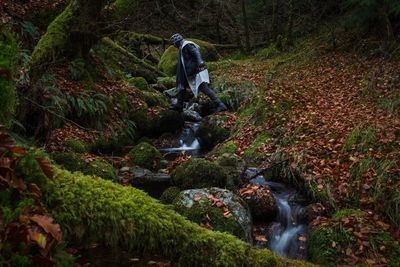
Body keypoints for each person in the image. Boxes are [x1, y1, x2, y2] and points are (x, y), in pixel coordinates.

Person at [169, 33, 227, 113]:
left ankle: (220, 104)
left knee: (204, 88)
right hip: (189, 73)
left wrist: (200, 61)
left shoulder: (187, 45)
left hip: (196, 71)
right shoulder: (182, 48)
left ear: (176, 42)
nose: (174, 45)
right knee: (181, 87)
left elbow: (196, 52)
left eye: (174, 43)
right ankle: (179, 105)